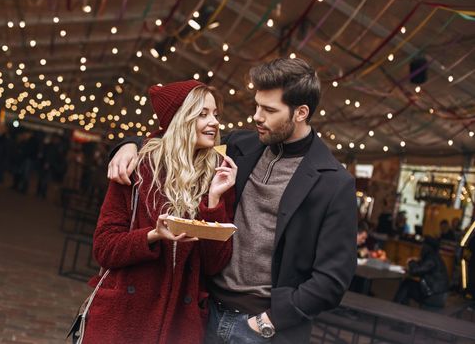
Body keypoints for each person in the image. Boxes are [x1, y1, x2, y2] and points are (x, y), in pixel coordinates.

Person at [108, 58, 357, 343]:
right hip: (205, 314)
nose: (257, 117)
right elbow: (181, 134)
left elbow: (333, 280)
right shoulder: (242, 145)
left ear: (301, 112)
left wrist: (269, 322)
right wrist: (129, 144)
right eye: (257, 105)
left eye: (268, 110)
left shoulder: (334, 182)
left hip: (264, 329)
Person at [81, 81, 237, 344]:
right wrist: (152, 235)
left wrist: (214, 201)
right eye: (203, 114)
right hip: (122, 320)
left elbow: (214, 265)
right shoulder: (137, 168)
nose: (214, 122)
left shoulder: (218, 176)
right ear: (180, 119)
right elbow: (104, 247)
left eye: (215, 114)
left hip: (179, 325)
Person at [393, 236, 449, 307]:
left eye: (422, 245)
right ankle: (400, 308)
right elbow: (421, 269)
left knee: (406, 285)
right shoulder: (435, 257)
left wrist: (411, 261)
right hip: (437, 294)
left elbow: (415, 271)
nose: (421, 247)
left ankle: (394, 307)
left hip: (434, 296)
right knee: (408, 284)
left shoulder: (431, 259)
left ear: (426, 247)